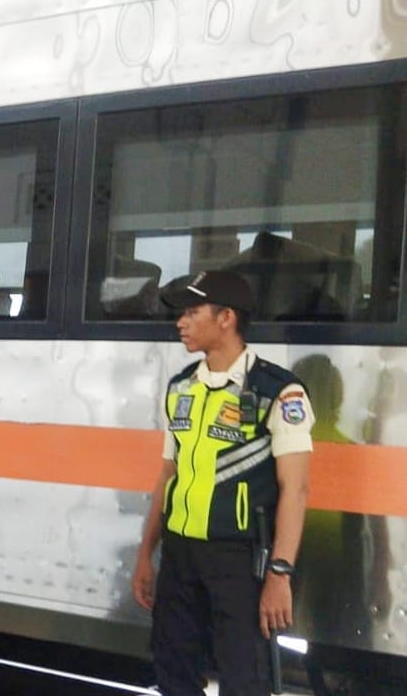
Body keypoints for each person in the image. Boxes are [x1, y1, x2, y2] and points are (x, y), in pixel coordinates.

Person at [132, 270, 314, 696]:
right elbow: (169, 475)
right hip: (179, 556)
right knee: (173, 672)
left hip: (239, 561)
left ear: (226, 317)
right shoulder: (181, 388)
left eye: (191, 312)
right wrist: (146, 554)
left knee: (244, 679)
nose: (180, 323)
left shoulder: (279, 392)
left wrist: (280, 574)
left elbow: (296, 489)